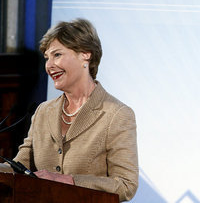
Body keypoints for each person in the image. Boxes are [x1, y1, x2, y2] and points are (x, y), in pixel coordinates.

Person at [11, 18, 138, 201]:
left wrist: (68, 180)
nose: (49, 65)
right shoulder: (43, 111)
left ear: (85, 54)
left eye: (57, 55)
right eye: (47, 58)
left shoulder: (117, 115)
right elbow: (19, 166)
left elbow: (126, 185)